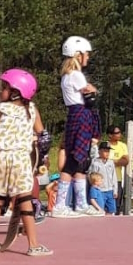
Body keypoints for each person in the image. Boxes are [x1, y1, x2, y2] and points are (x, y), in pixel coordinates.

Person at [0, 69, 51, 255]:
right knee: (25, 200)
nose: (1, 91)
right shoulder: (32, 109)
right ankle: (33, 244)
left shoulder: (0, 109)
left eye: (5, 87)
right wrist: (41, 155)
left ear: (16, 91)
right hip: (20, 158)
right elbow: (43, 135)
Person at [54, 35, 100, 217]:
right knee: (74, 160)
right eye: (86, 54)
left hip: (77, 116)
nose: (88, 57)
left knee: (82, 161)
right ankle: (60, 205)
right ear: (78, 54)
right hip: (81, 116)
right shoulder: (75, 75)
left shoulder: (67, 76)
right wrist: (93, 89)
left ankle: (80, 204)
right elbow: (90, 91)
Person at [88, 141, 117, 215]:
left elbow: (114, 177)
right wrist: (95, 187)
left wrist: (115, 190)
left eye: (108, 151)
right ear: (99, 151)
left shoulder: (111, 162)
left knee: (111, 210)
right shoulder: (95, 163)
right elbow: (92, 176)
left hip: (110, 190)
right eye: (105, 151)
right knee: (100, 209)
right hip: (100, 190)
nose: (107, 153)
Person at [105, 124, 129, 203]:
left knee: (117, 203)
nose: (119, 134)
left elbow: (126, 161)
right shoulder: (105, 145)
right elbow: (103, 160)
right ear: (110, 135)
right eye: (117, 133)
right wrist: (118, 161)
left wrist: (111, 161)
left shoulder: (123, 146)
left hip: (117, 178)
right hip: (105, 179)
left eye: (120, 132)